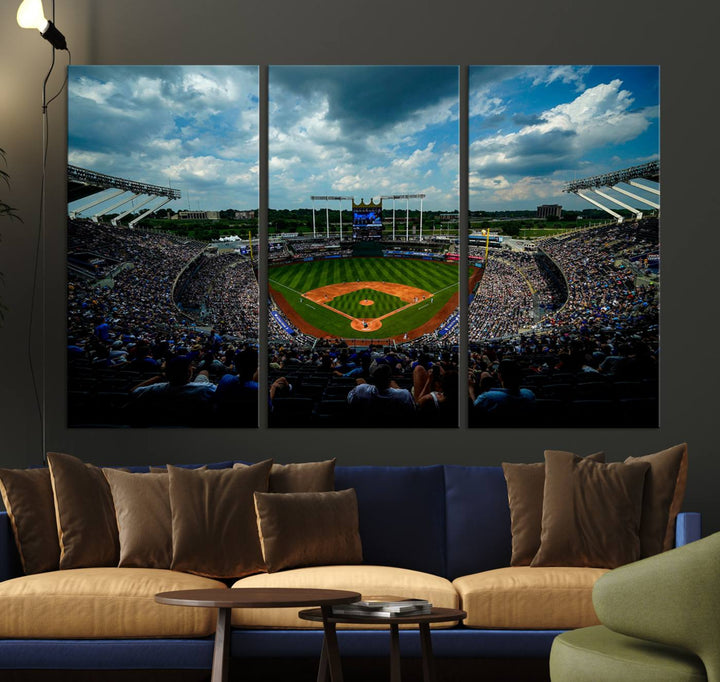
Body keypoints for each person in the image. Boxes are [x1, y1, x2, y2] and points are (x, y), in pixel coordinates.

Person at [128, 356, 216, 426]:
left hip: (161, 421)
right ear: (189, 373)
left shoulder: (156, 389)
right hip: (195, 396)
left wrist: (157, 377)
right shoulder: (206, 388)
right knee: (203, 372)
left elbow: (133, 391)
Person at [469, 359, 535, 426]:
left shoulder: (487, 398)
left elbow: (473, 411)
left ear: (499, 376)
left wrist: (471, 389)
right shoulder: (529, 394)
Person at [347, 363, 415, 426]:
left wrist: (363, 386)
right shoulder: (403, 394)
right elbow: (411, 411)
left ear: (373, 379)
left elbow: (350, 400)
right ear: (389, 380)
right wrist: (396, 388)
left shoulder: (361, 390)